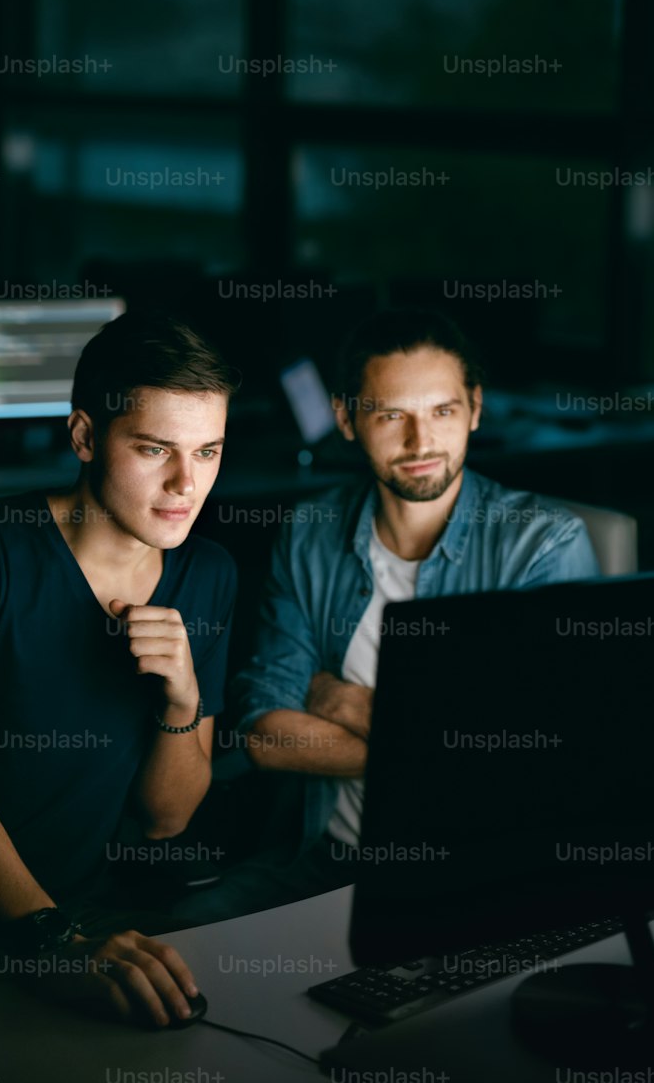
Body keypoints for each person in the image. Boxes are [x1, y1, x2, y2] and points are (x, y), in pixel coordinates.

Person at [166, 308, 599, 925]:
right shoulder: (311, 532)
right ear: (346, 418)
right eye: (392, 415)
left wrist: (340, 702)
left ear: (475, 408)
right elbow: (265, 735)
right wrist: (445, 741)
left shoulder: (543, 546)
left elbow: (530, 760)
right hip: (325, 862)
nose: (421, 443)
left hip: (479, 870)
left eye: (442, 411)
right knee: (181, 936)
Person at [0, 310, 238, 1028]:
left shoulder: (207, 573)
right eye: (155, 449)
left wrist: (181, 704)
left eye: (207, 452)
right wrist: (47, 938)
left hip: (81, 922)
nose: (185, 483)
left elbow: (164, 821)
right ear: (85, 436)